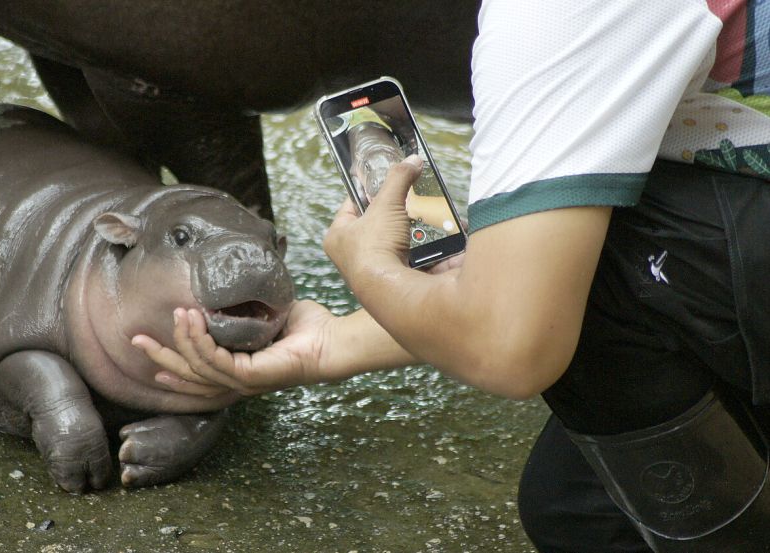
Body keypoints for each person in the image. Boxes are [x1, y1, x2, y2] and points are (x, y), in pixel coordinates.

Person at [131, 1, 770, 551]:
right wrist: (334, 342)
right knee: (577, 510)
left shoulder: (553, 20)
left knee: (605, 246)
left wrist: (371, 270)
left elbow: (511, 345)